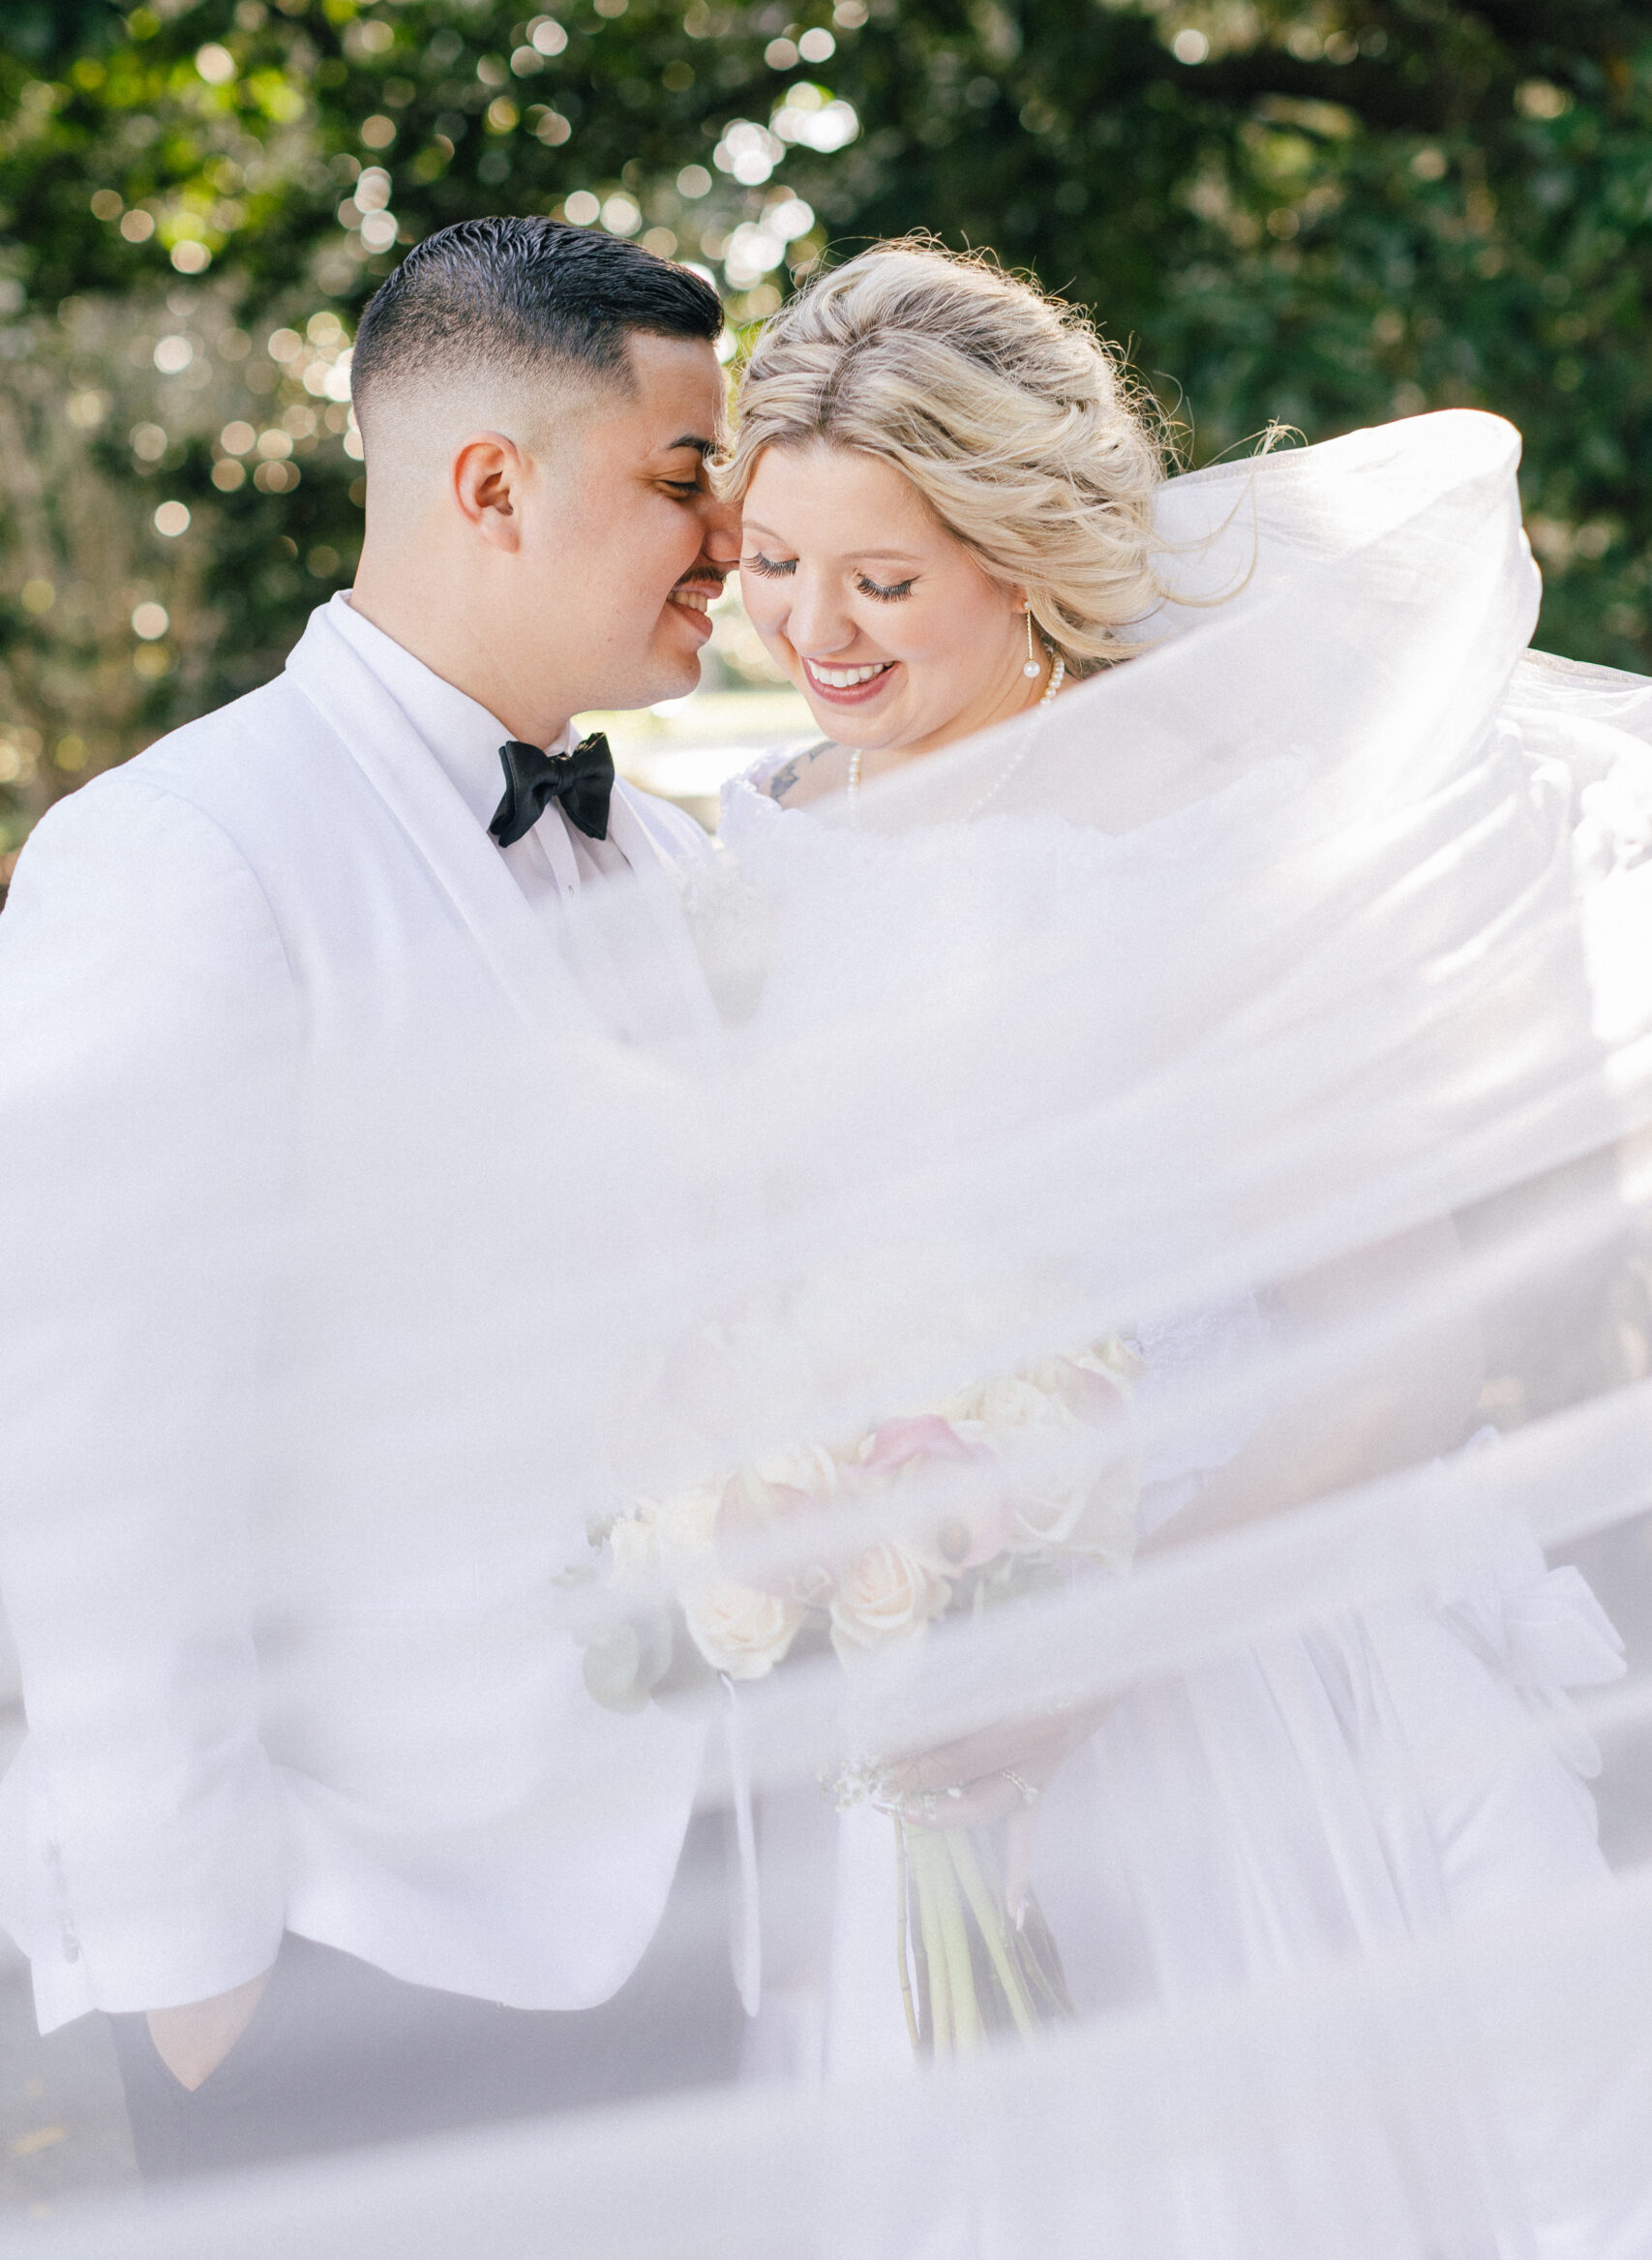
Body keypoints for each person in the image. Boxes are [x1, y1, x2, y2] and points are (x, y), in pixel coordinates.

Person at [703, 241, 1652, 2253]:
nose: (814, 631)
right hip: (928, 1723)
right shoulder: (764, 831)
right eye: (777, 563)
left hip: (1233, 1679)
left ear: (1027, 547)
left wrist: (1080, 1641)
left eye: (882, 579)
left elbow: (1395, 1348)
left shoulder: (1207, 841)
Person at [0, 216, 745, 2179]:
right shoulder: (182, 856)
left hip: (700, 1913)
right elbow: (91, 1450)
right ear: (488, 482)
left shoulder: (676, 869)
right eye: (684, 474)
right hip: (345, 1957)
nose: (732, 534)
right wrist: (187, 1964)